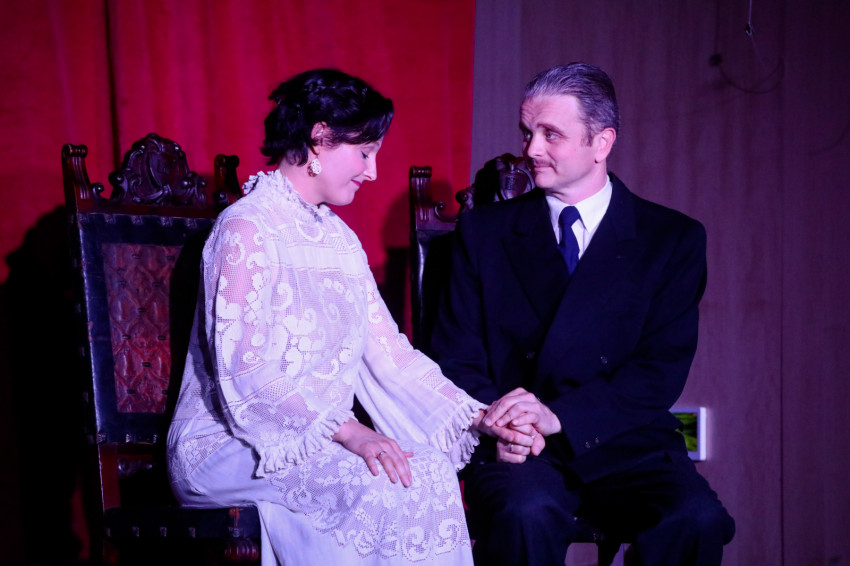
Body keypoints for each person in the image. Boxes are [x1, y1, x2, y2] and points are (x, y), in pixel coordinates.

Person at [167, 68, 493, 566]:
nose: (373, 172)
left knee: (427, 471)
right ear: (319, 138)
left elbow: (392, 357)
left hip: (324, 441)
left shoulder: (339, 240)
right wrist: (348, 431)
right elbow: (247, 370)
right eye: (365, 153)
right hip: (228, 444)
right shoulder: (246, 228)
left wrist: (478, 416)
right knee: (375, 482)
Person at [430, 62, 736, 566]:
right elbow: (453, 356)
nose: (531, 149)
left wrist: (559, 416)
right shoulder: (483, 232)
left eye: (551, 134)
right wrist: (502, 423)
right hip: (518, 444)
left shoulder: (672, 238)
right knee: (525, 513)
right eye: (527, 132)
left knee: (696, 519)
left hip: (624, 438)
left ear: (602, 142)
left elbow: (658, 371)